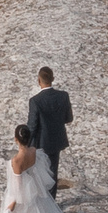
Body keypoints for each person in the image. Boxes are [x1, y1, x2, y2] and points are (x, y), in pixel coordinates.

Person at [25, 66, 73, 198]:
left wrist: (25, 143)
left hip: (40, 143)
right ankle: (51, 202)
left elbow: (32, 125)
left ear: (38, 80)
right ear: (53, 79)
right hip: (57, 140)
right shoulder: (63, 96)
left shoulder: (35, 101)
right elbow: (68, 118)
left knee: (38, 173)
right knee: (53, 172)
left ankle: (41, 202)